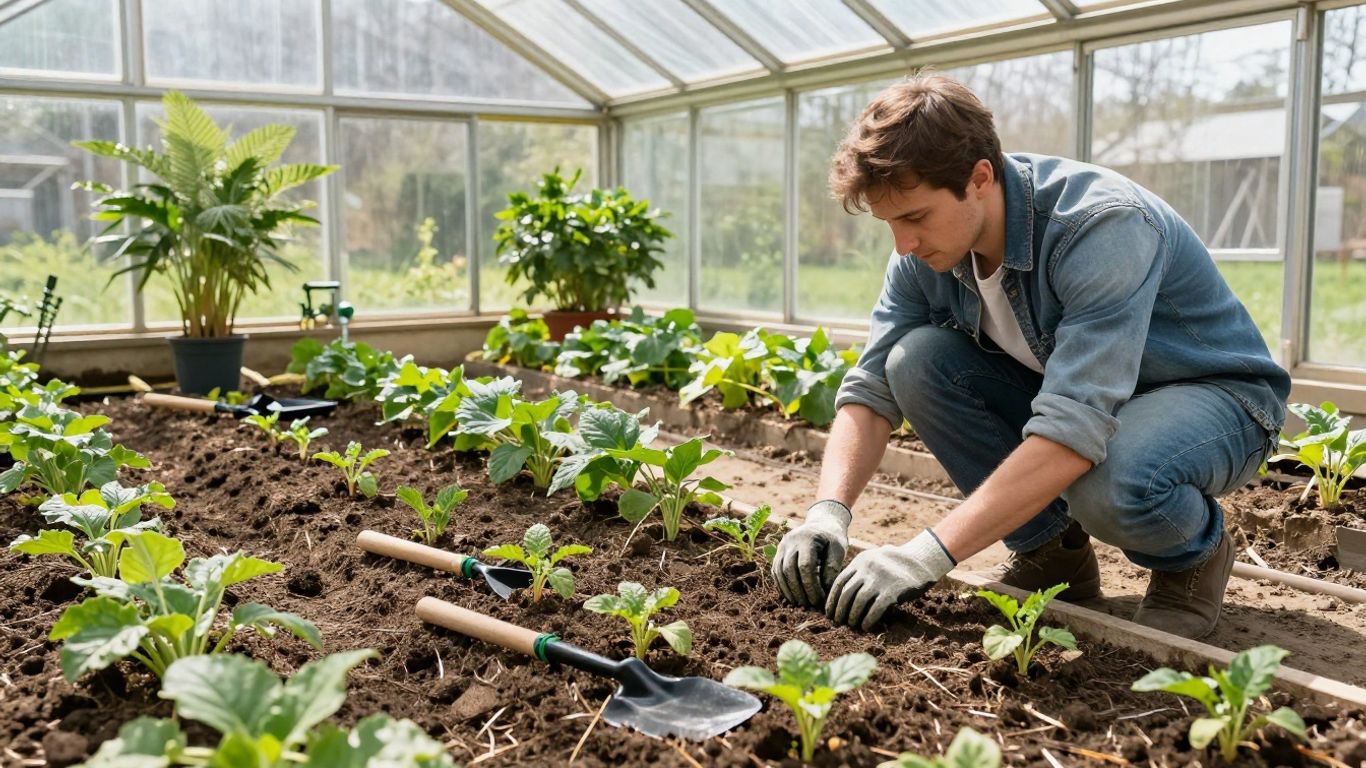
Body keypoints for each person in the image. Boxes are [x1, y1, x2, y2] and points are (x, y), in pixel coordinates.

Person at [771, 74, 1290, 640]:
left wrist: (926, 554)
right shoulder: (924, 255)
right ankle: (1051, 553)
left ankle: (1192, 557)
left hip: (1217, 398)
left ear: (980, 178)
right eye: (889, 222)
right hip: (1101, 405)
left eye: (915, 217)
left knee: (1110, 483)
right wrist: (828, 511)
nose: (903, 244)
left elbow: (1073, 429)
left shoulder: (1100, 227)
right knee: (912, 360)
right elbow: (871, 387)